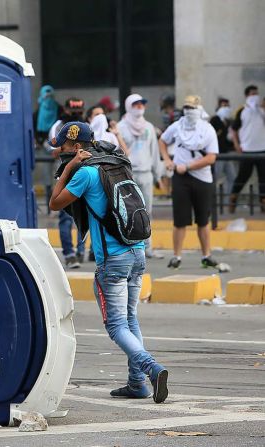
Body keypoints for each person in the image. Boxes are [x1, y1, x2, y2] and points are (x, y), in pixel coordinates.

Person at [49, 121, 168, 404]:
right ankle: (137, 383)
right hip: (137, 252)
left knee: (116, 326)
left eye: (63, 148)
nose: (59, 153)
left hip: (112, 260)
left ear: (77, 148)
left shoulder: (86, 173)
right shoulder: (115, 164)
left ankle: (151, 367)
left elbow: (55, 202)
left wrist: (69, 168)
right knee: (130, 319)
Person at [159, 95, 223, 270]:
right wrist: (167, 160)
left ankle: (206, 255)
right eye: (186, 108)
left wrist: (187, 166)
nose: (189, 111)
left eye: (193, 108)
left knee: (203, 220)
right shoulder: (177, 126)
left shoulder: (207, 129)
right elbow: (163, 141)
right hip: (180, 178)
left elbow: (211, 157)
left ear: (199, 109)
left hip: (201, 177)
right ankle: (176, 256)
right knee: (180, 220)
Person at [117, 94, 164, 259]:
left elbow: (154, 152)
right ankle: (129, 247)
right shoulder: (121, 127)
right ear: (129, 106)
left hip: (146, 173)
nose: (139, 107)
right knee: (128, 212)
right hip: (128, 174)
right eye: (135, 104)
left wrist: (158, 175)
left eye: (142, 104)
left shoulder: (149, 127)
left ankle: (147, 247)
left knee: (146, 212)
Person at [45, 97, 87, 268]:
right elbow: (52, 149)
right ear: (66, 110)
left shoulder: (86, 127)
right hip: (63, 175)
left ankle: (81, 251)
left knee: (83, 215)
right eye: (73, 110)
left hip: (82, 175)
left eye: (79, 111)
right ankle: (69, 254)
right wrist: (66, 148)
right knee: (66, 217)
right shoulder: (59, 126)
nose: (76, 114)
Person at [229, 85, 265, 212]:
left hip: (262, 150)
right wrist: (237, 145)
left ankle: (263, 202)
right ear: (247, 96)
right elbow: (233, 129)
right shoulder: (241, 111)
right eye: (252, 94)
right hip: (247, 150)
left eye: (257, 93)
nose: (255, 96)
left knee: (263, 178)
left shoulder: (262, 111)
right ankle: (233, 198)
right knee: (243, 176)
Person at [210, 98, 236, 196]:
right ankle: (212, 200)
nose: (226, 109)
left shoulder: (229, 121)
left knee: (232, 177)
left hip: (227, 153)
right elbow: (214, 136)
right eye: (223, 106)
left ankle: (227, 200)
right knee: (215, 177)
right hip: (218, 154)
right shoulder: (215, 120)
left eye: (227, 106)